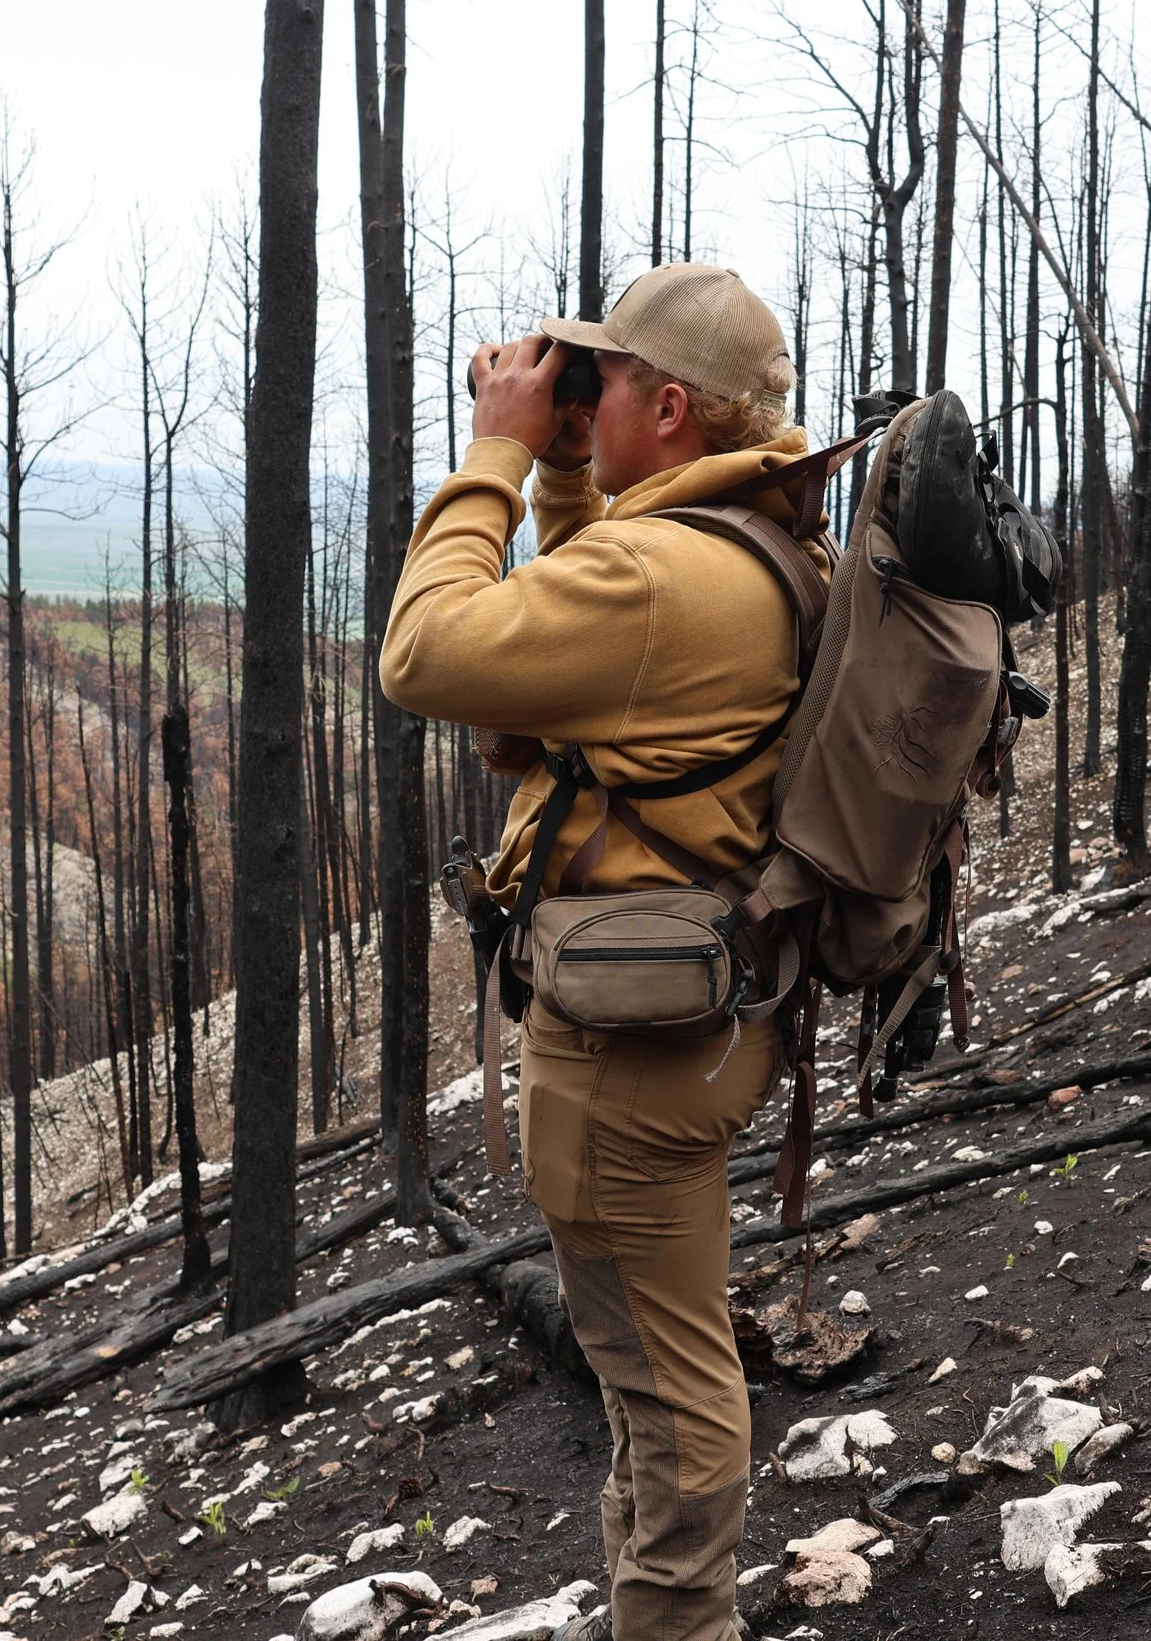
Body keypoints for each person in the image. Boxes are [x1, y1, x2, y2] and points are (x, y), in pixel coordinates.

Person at [379, 264, 821, 1641]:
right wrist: (575, 476)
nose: (579, 393)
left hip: (627, 1074)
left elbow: (428, 652)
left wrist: (499, 455)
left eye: (605, 379)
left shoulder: (658, 573)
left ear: (672, 408)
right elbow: (608, 686)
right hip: (696, 1029)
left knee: (674, 1402)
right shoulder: (752, 537)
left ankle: (680, 1623)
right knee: (648, 1381)